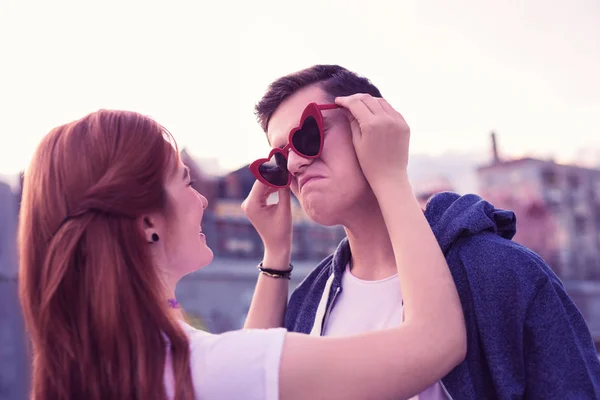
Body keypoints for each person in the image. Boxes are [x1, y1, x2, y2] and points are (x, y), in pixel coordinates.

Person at [18, 109, 465, 400]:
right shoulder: (202, 368)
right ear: (147, 223)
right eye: (185, 181)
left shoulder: (94, 370)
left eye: (309, 135)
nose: (202, 201)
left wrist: (275, 255)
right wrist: (389, 176)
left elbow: (245, 376)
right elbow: (436, 343)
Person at [248, 64, 600, 399]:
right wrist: (274, 252)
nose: (294, 164)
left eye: (309, 134)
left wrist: (389, 173)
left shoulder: (502, 273)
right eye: (277, 158)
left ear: (370, 123)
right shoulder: (309, 299)